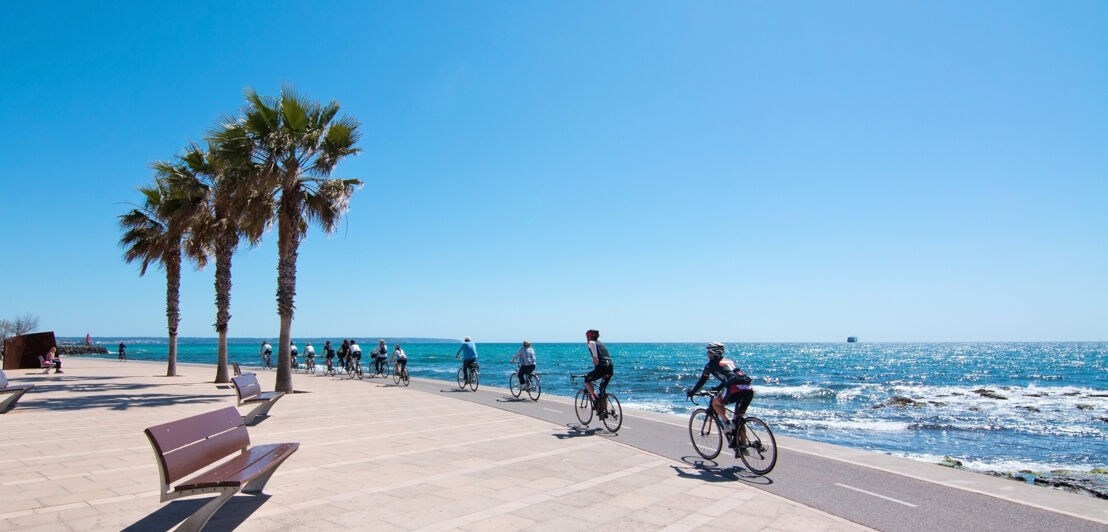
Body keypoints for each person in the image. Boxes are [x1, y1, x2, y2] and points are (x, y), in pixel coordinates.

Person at [685, 342, 754, 435]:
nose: (707, 354)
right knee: (738, 420)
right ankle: (743, 447)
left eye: (708, 352)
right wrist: (718, 388)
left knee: (715, 403)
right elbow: (729, 378)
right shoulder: (729, 361)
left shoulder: (710, 365)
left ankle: (728, 423)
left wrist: (692, 392)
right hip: (748, 388)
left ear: (713, 353)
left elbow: (702, 380)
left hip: (735, 389)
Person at [583, 329, 612, 414]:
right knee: (602, 389)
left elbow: (596, 359)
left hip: (602, 367)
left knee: (587, 380)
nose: (587, 339)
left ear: (590, 336)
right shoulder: (601, 344)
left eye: (587, 337)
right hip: (610, 367)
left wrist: (596, 369)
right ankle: (604, 411)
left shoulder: (591, 343)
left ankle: (595, 399)